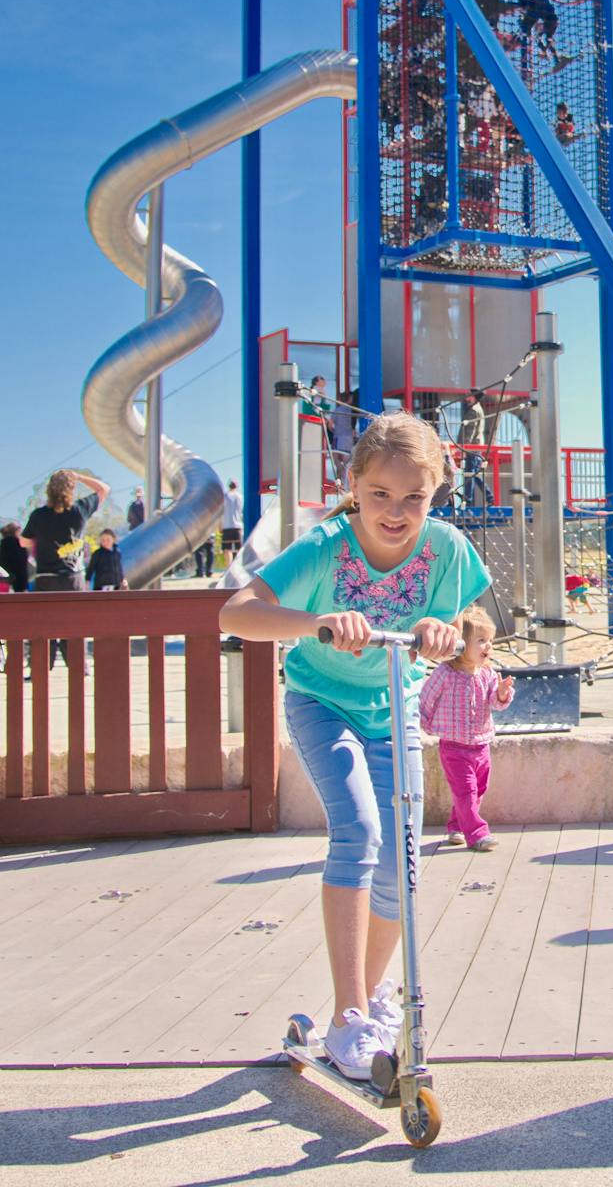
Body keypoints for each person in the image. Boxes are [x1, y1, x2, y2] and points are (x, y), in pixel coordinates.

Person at [219, 412, 489, 1083]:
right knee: (361, 832)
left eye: (414, 499)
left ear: (436, 496)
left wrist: (443, 634)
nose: (396, 513)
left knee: (401, 856)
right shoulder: (326, 547)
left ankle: (371, 1004)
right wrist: (315, 622)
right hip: (322, 702)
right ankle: (345, 1020)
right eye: (380, 495)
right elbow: (235, 613)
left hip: (391, 706)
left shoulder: (449, 549)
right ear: (354, 484)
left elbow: (462, 632)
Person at [419, 606, 516, 852]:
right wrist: (423, 722)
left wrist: (502, 694)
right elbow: (426, 698)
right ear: (461, 645)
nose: (488, 646)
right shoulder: (446, 673)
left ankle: (456, 826)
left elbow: (494, 703)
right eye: (481, 641)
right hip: (454, 747)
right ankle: (477, 833)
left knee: (478, 789)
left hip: (481, 744)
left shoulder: (488, 674)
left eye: (490, 641)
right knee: (466, 790)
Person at [22, 468, 108, 591]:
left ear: (49, 490)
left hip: (45, 578)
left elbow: (23, 542)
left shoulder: (38, 515)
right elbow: (104, 489)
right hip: (73, 578)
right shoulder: (80, 509)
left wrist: (41, 539)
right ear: (71, 489)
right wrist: (78, 477)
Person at [0, 522, 32, 593]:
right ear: (17, 531)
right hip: (18, 581)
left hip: (6, 578)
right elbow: (21, 564)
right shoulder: (18, 543)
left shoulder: (4, 542)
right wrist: (24, 585)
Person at [220, 480, 244, 558]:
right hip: (237, 526)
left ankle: (229, 567)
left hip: (226, 526)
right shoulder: (240, 497)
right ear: (236, 486)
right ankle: (237, 566)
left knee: (227, 549)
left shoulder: (225, 496)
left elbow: (221, 512)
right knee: (238, 549)